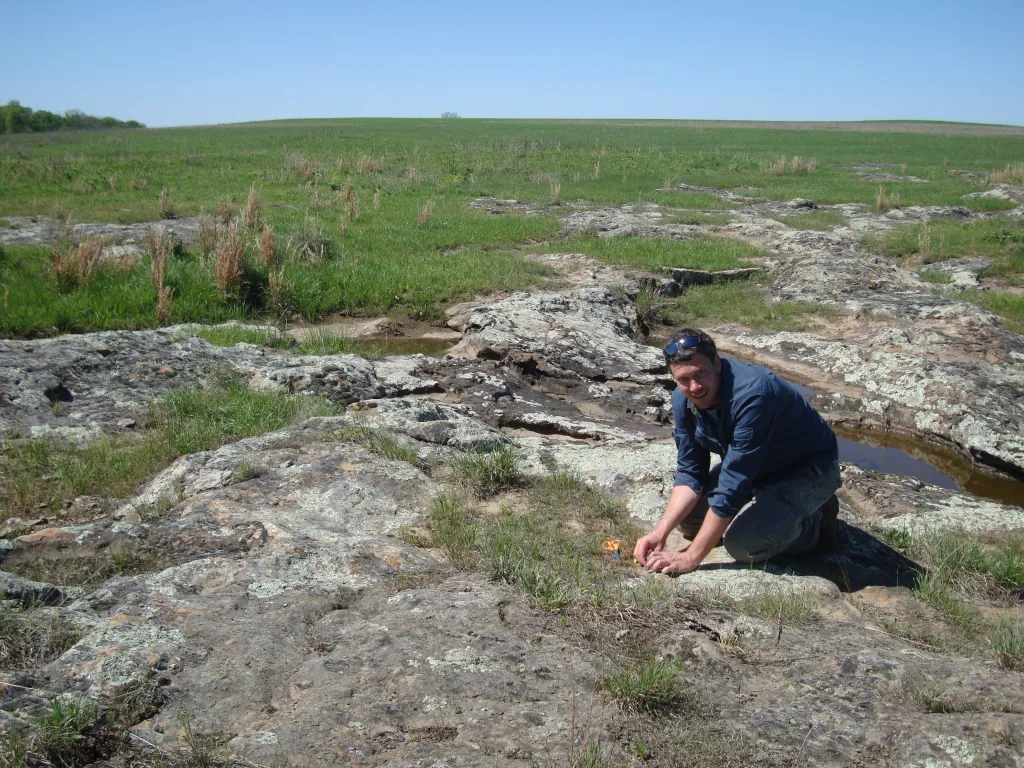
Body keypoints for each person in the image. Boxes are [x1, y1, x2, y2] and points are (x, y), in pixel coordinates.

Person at [632, 328, 841, 575]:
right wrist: (660, 532)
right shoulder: (683, 399)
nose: (695, 387)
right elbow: (690, 471)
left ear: (716, 363)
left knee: (743, 545)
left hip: (805, 471)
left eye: (700, 373)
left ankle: (816, 521)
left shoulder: (754, 394)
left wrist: (691, 556)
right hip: (757, 467)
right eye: (684, 379)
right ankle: (768, 512)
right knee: (689, 523)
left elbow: (733, 483)